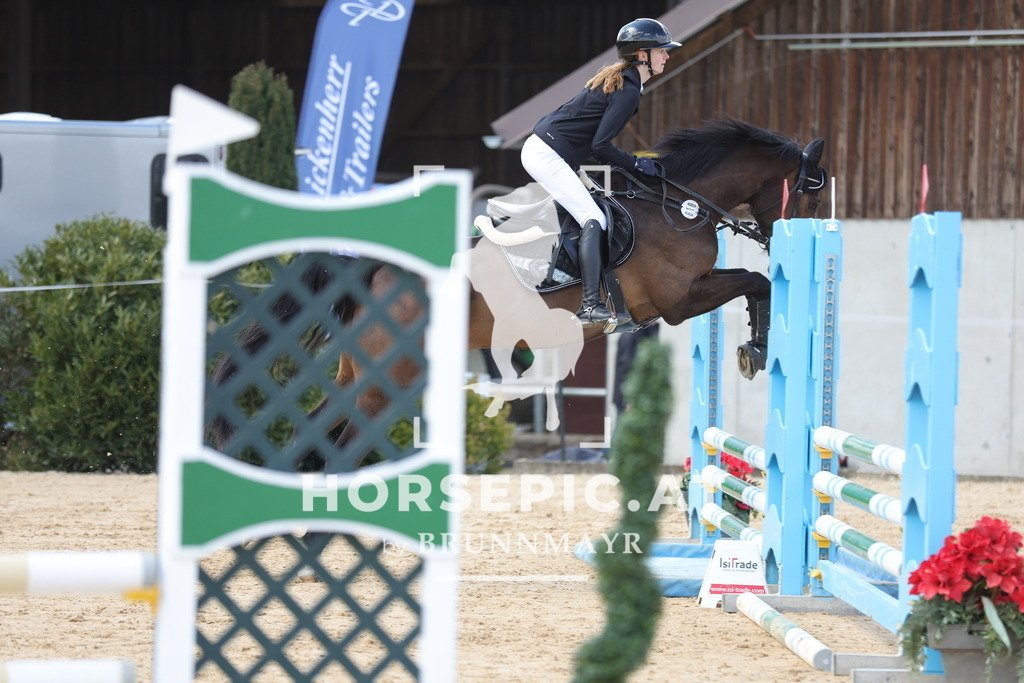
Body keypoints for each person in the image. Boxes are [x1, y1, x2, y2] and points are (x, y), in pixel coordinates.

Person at [521, 18, 680, 331]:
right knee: (594, 218)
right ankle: (590, 305)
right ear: (642, 55)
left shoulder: (627, 82)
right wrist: (637, 164)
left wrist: (632, 164)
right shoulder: (628, 90)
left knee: (596, 209)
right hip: (548, 154)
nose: (667, 56)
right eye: (662, 51)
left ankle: (567, 274)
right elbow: (601, 147)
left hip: (551, 151)